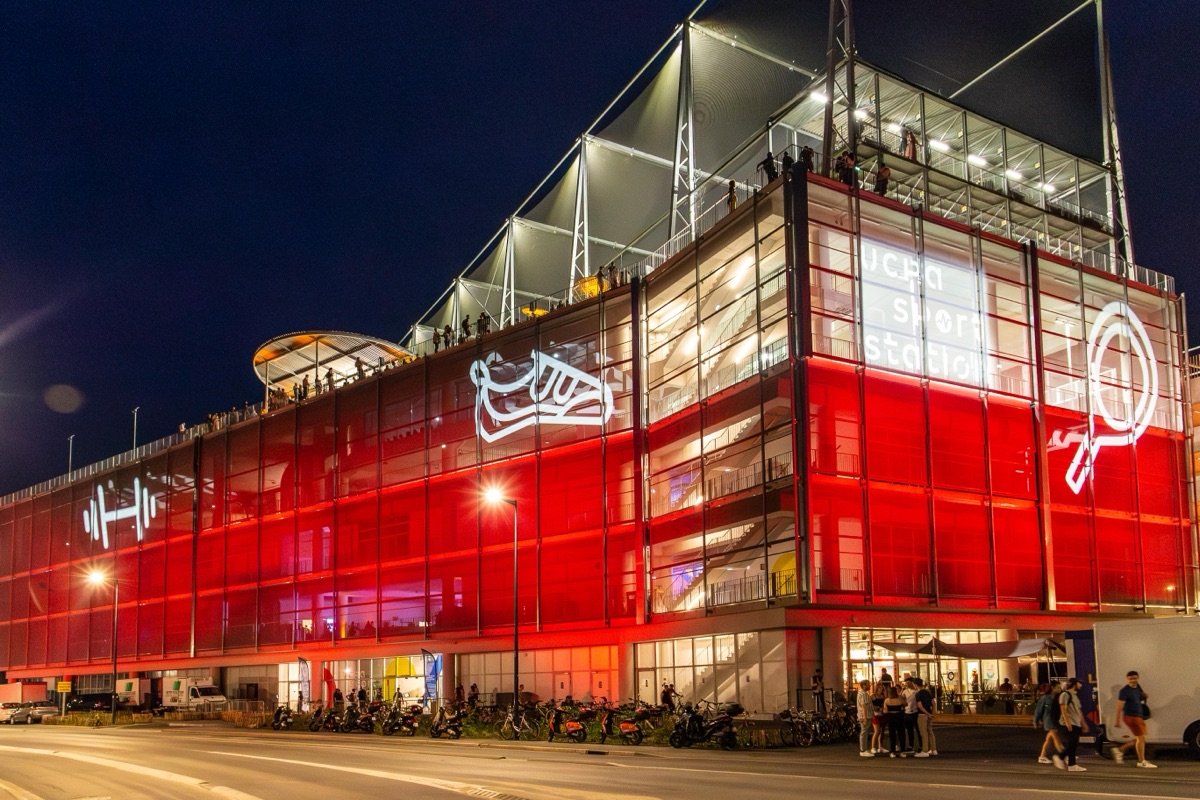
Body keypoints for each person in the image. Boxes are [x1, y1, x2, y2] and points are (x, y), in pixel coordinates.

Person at [1113, 670, 1155, 768]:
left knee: (1141, 738)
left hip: (1137, 715)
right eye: (1130, 679)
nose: (1133, 680)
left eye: (1135, 678)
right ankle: (1141, 761)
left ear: (1138, 678)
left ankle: (1120, 750)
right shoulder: (1124, 691)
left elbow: (1138, 699)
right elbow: (1119, 706)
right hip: (1131, 716)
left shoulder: (1137, 688)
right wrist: (1117, 721)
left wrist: (1144, 696)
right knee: (1141, 738)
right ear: (1127, 679)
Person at [1052, 677, 1085, 772]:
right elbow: (1063, 709)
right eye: (1079, 683)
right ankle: (1060, 757)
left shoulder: (1074, 695)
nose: (1081, 685)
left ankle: (1072, 765)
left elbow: (1078, 711)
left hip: (1076, 722)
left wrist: (1082, 723)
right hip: (1070, 723)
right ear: (1074, 684)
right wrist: (1067, 722)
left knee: (1073, 744)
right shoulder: (1065, 694)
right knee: (1072, 744)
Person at [1033, 681, 1062, 764]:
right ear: (1052, 688)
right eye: (1057, 687)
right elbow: (1038, 710)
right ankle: (1063, 755)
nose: (1059, 689)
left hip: (1055, 720)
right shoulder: (1045, 698)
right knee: (1056, 737)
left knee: (1049, 740)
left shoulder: (1058, 697)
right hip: (1048, 720)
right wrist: (1035, 721)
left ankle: (1042, 757)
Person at [913, 678, 937, 756]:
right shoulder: (928, 692)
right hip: (929, 714)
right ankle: (933, 749)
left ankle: (925, 750)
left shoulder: (918, 694)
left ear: (916, 685)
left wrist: (927, 713)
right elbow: (933, 703)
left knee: (924, 733)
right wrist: (931, 713)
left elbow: (920, 706)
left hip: (922, 715)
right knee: (930, 731)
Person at [883, 685, 907, 757]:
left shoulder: (887, 700)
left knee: (892, 735)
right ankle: (902, 751)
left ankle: (892, 752)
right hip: (899, 716)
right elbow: (906, 704)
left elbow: (885, 711)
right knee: (901, 734)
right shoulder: (899, 699)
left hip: (891, 717)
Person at [856, 679, 874, 756]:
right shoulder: (863, 694)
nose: (869, 685)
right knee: (864, 732)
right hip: (865, 715)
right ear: (864, 686)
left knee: (865, 731)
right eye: (868, 684)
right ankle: (863, 750)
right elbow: (864, 706)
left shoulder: (861, 693)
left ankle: (864, 748)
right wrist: (865, 718)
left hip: (864, 715)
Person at [902, 678, 919, 754]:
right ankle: (911, 745)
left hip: (914, 712)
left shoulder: (916, 691)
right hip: (908, 712)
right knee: (910, 730)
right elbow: (902, 698)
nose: (906, 684)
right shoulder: (905, 691)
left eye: (908, 682)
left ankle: (919, 745)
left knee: (917, 729)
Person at [871, 682, 886, 753]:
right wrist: (875, 708)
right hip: (875, 714)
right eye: (880, 688)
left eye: (882, 688)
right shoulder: (873, 696)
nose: (881, 689)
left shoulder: (884, 696)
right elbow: (870, 705)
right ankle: (873, 747)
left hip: (882, 713)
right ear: (877, 688)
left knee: (882, 731)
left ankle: (880, 746)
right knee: (877, 731)